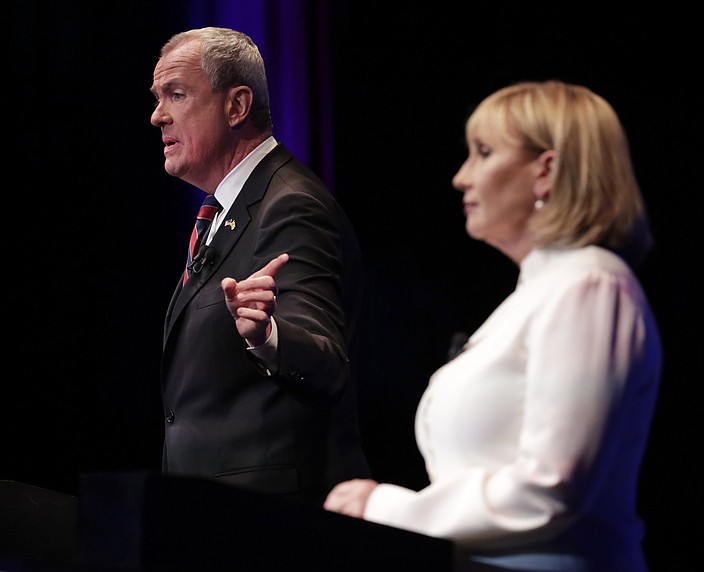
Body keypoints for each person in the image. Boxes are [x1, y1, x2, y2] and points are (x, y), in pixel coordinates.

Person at [323, 80, 663, 571]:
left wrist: (385, 508)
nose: (462, 177)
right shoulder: (537, 294)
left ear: (545, 171)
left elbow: (553, 484)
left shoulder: (590, 284)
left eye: (483, 153)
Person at [149, 26, 370, 506]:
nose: (156, 116)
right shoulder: (228, 211)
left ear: (236, 106)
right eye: (157, 97)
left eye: (176, 94)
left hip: (271, 523)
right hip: (213, 518)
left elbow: (328, 360)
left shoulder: (290, 205)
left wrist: (268, 336)